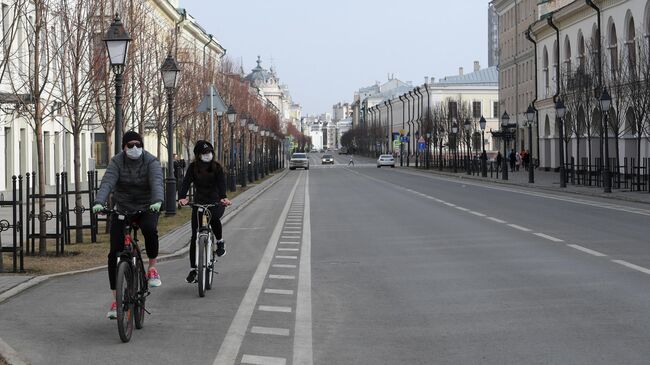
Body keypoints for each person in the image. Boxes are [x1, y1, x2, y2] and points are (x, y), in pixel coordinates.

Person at [92, 131, 164, 319]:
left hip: (147, 206)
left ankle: (152, 268)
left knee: (149, 229)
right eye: (130, 145)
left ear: (142, 146)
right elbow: (108, 182)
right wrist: (99, 202)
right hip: (123, 207)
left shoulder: (151, 161)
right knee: (114, 252)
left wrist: (157, 201)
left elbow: (157, 182)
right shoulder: (117, 162)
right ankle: (116, 299)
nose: (134, 148)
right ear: (123, 147)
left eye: (138, 145)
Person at [177, 140, 232, 284]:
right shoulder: (193, 168)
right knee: (195, 235)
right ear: (198, 155)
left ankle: (220, 242)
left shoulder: (217, 167)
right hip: (199, 202)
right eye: (204, 153)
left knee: (213, 218)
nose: (208, 155)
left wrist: (223, 197)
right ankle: (193, 270)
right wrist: (182, 197)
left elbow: (221, 184)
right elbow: (186, 183)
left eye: (210, 152)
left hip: (215, 202)